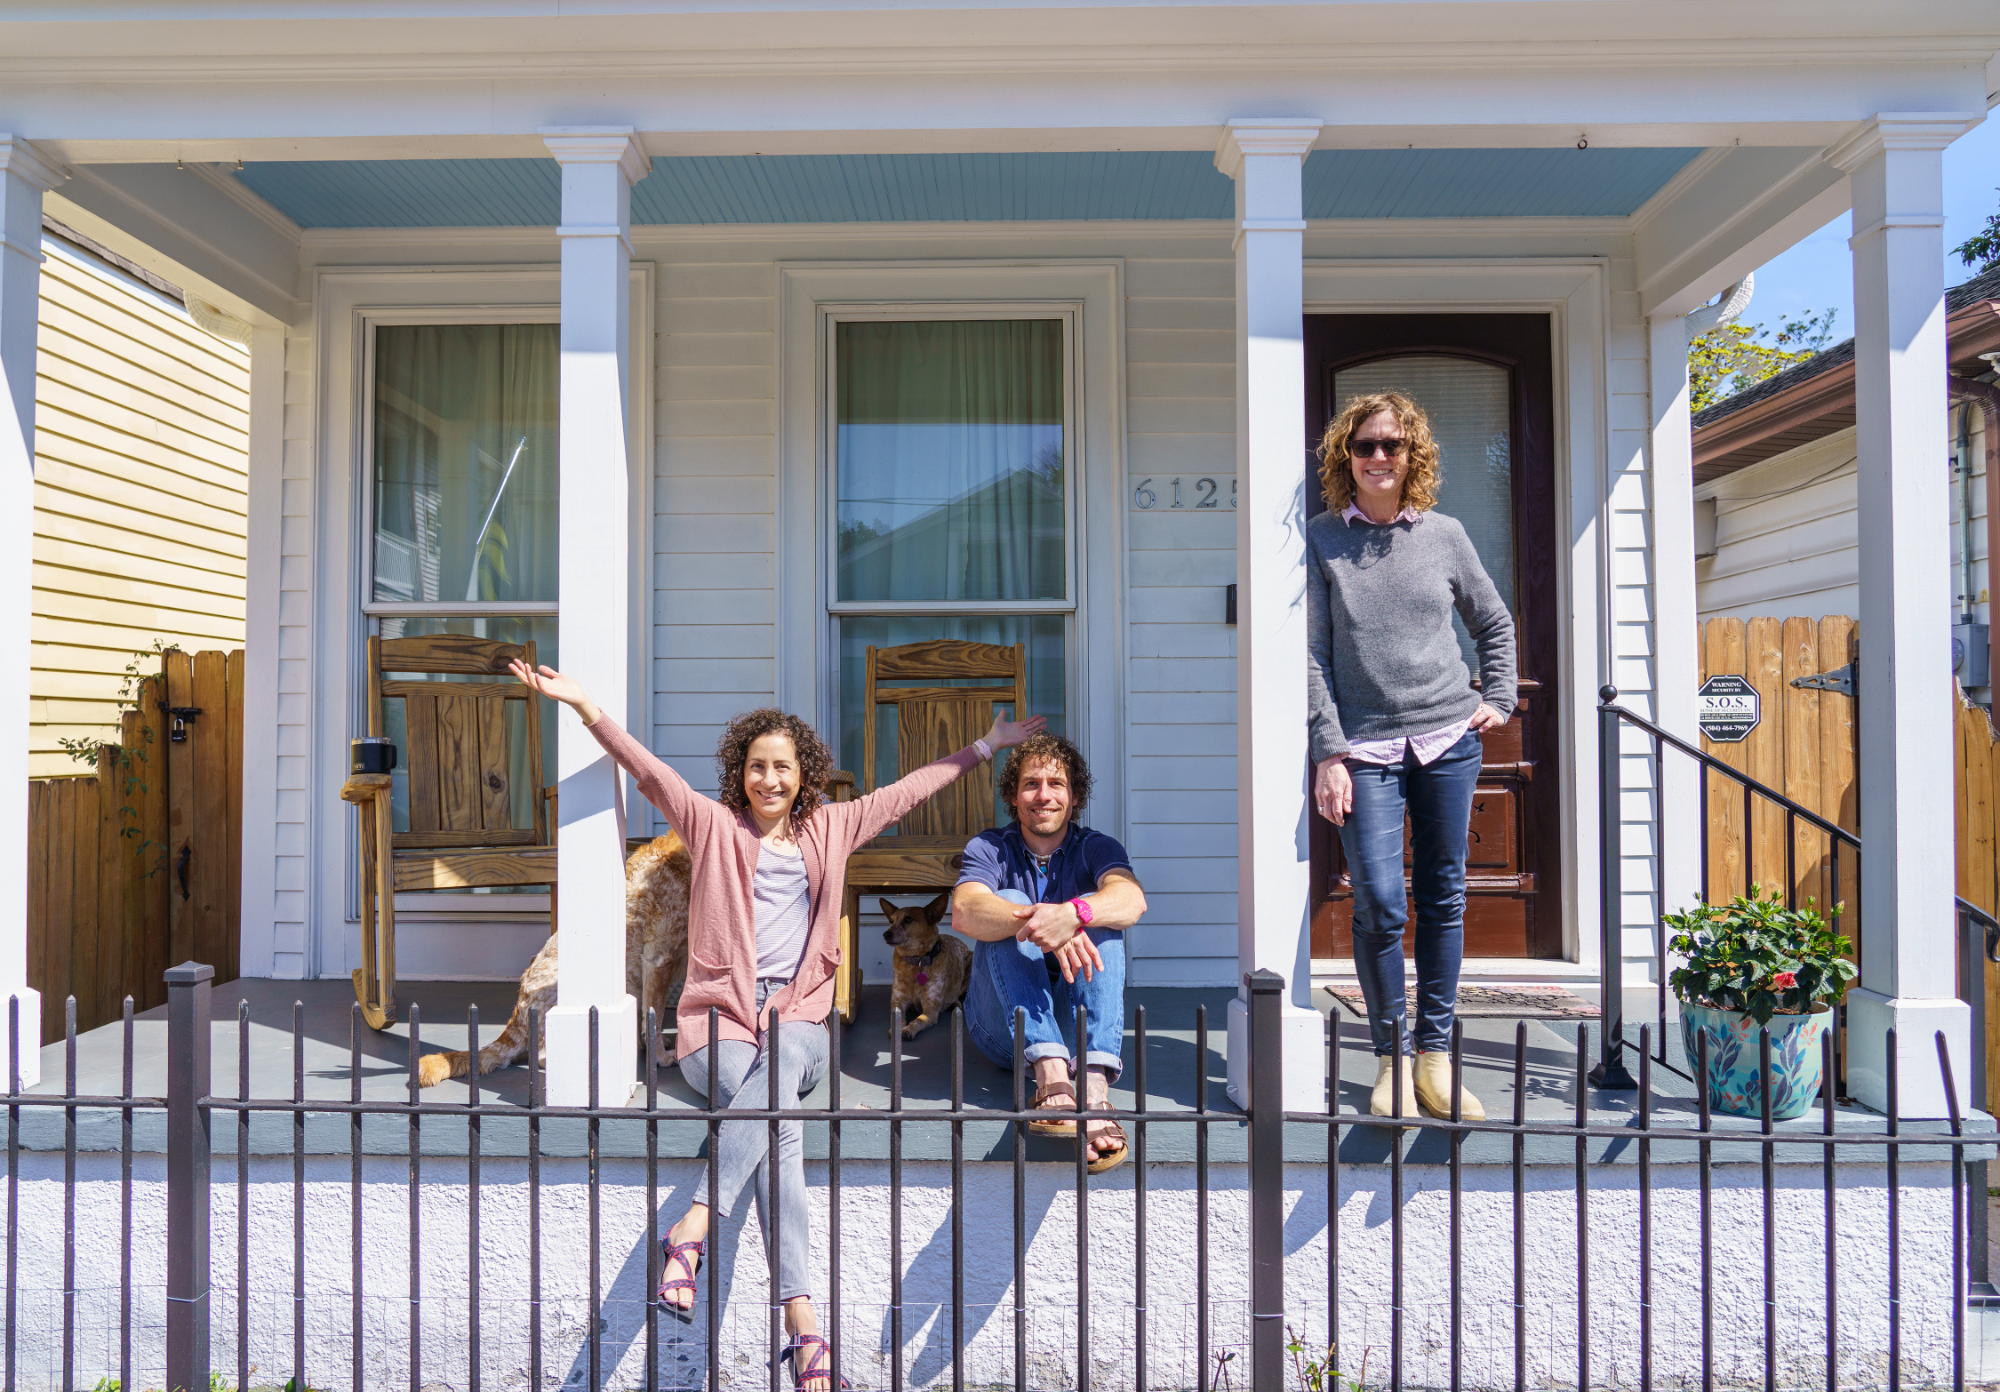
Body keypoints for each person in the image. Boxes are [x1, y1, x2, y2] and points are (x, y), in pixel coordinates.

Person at [507, 659, 1042, 1391]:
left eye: (782, 767)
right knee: (778, 1120)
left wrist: (986, 746)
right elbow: (647, 770)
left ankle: (691, 1230)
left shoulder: (833, 828)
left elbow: (912, 790)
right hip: (719, 1022)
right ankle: (804, 1325)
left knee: (781, 1069)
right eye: (757, 766)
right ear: (741, 772)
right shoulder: (711, 826)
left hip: (797, 1018)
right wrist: (585, 706)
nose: (769, 780)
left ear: (803, 774)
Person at [1306, 390, 1517, 1122]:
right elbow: (1311, 658)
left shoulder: (1446, 535)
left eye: (1391, 445)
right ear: (1346, 458)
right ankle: (1391, 1053)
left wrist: (1501, 696)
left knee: (1444, 896)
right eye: (1364, 446)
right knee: (1379, 905)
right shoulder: (1324, 539)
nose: (1378, 458)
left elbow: (1492, 620)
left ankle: (1436, 1055)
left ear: (1412, 455)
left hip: (1447, 738)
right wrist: (1329, 752)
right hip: (1365, 747)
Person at [950, 732, 1147, 1172]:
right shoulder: (990, 847)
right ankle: (1052, 1073)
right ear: (1013, 797)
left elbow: (1132, 901)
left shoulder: (1096, 847)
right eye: (1031, 784)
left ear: (1074, 796)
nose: (1044, 795)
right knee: (1001, 904)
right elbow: (964, 912)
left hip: (1074, 1020)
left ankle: (1093, 1091)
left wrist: (1077, 913)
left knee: (1102, 920)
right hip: (1005, 1031)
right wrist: (1042, 916)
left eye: (1056, 784)